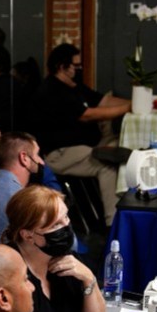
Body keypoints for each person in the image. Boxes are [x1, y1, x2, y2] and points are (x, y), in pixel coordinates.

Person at [4, 185, 133, 312]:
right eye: (55, 225)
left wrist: (89, 279)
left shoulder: (65, 259)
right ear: (28, 235)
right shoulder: (11, 272)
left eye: (66, 217)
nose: (66, 227)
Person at [30, 44, 130, 225]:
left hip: (86, 146)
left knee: (123, 145)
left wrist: (139, 101)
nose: (80, 69)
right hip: (61, 153)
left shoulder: (75, 87)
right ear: (62, 67)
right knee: (107, 165)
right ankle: (113, 224)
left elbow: (103, 101)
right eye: (76, 66)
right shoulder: (51, 90)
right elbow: (88, 115)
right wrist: (129, 108)